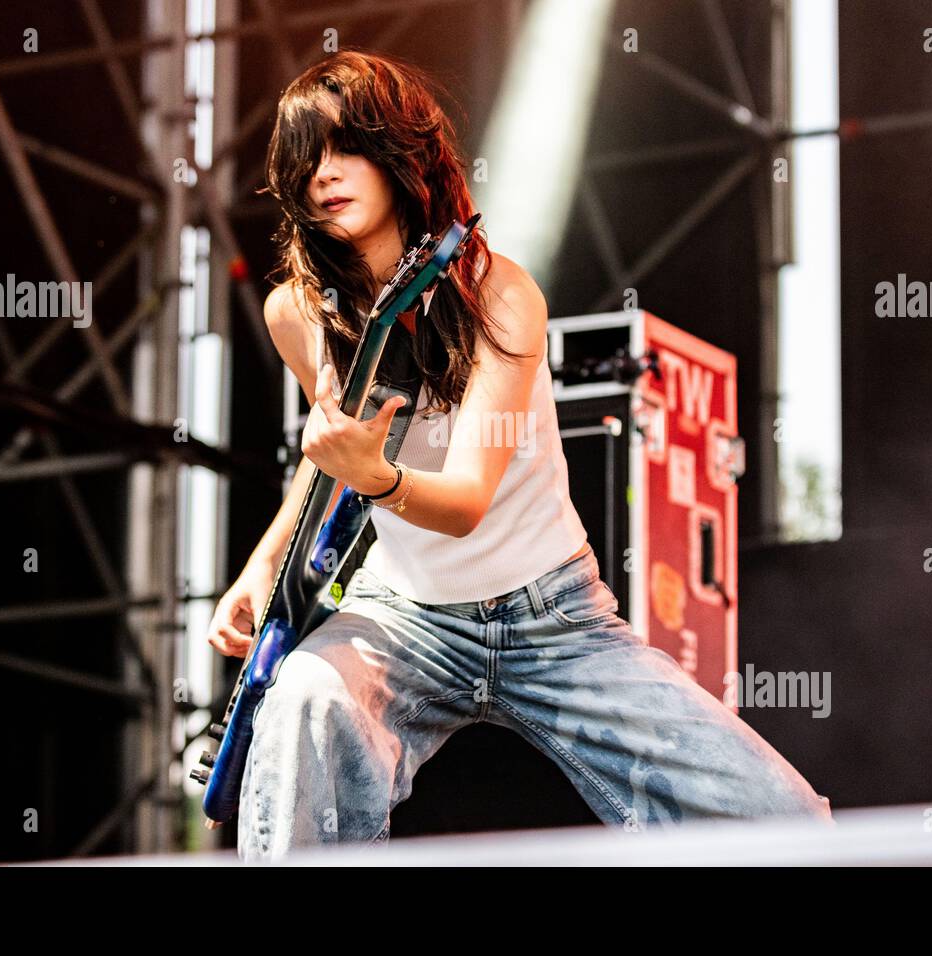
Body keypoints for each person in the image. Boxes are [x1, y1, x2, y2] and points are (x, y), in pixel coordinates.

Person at [207, 49, 832, 862]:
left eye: (347, 146)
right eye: (305, 157)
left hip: (552, 618)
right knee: (304, 710)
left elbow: (464, 500)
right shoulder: (295, 311)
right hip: (402, 618)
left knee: (781, 819)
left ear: (400, 152)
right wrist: (263, 565)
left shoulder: (499, 294)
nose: (324, 173)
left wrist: (378, 478)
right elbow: (330, 450)